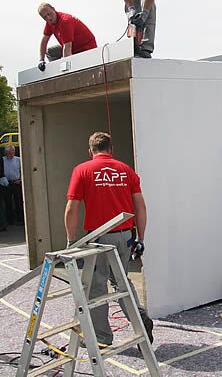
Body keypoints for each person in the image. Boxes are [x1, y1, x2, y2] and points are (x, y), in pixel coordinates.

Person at [64, 131, 153, 346]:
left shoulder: (82, 170)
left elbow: (71, 210)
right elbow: (140, 206)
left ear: (91, 151)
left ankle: (102, 338)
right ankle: (139, 318)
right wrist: (141, 238)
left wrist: (70, 240)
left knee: (96, 287)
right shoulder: (126, 170)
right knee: (121, 281)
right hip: (125, 236)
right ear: (111, 149)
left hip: (98, 239)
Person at [38, 3, 97, 71]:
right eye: (45, 17)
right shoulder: (50, 23)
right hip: (72, 49)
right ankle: (56, 72)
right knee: (50, 52)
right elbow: (44, 40)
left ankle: (66, 73)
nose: (48, 18)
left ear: (53, 9)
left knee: (65, 60)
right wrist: (41, 60)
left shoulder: (65, 21)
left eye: (49, 14)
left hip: (86, 49)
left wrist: (65, 65)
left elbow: (67, 48)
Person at [3, 145, 24, 225]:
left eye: (11, 152)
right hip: (7, 183)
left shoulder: (18, 160)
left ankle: (20, 219)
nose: (10, 155)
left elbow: (22, 171)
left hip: (16, 182)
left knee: (18, 201)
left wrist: (20, 180)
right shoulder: (3, 160)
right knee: (8, 202)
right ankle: (10, 219)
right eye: (8, 153)